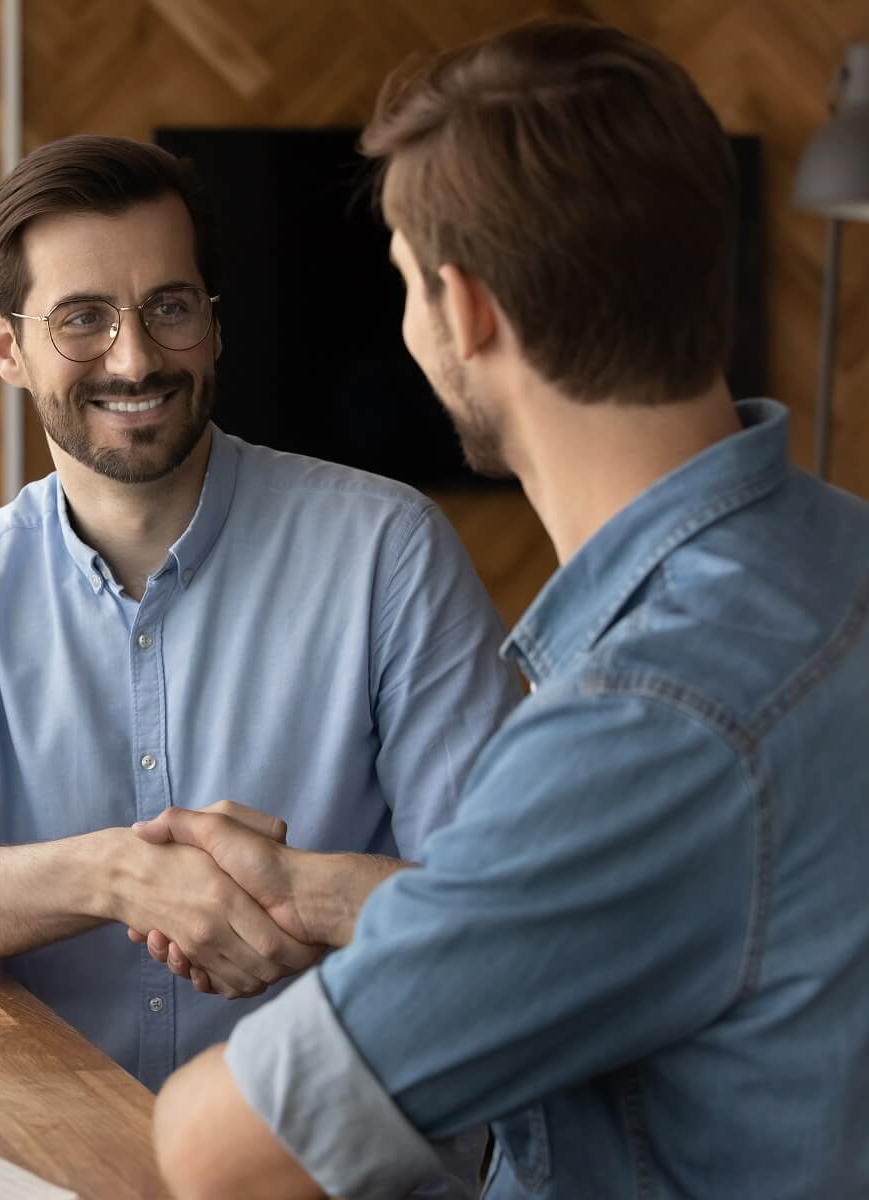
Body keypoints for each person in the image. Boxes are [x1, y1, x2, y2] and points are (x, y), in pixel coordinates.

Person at [148, 19, 869, 1200]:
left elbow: (227, 1149)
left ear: (468, 310)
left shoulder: (646, 721)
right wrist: (313, 894)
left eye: (402, 282)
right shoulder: (836, 563)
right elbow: (639, 910)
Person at [0, 134, 518, 1111]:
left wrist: (307, 895)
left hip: (322, 1159)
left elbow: (493, 911)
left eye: (168, 309)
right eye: (82, 320)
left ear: (214, 327)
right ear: (9, 345)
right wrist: (113, 877)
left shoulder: (389, 553)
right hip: (50, 1155)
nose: (135, 358)